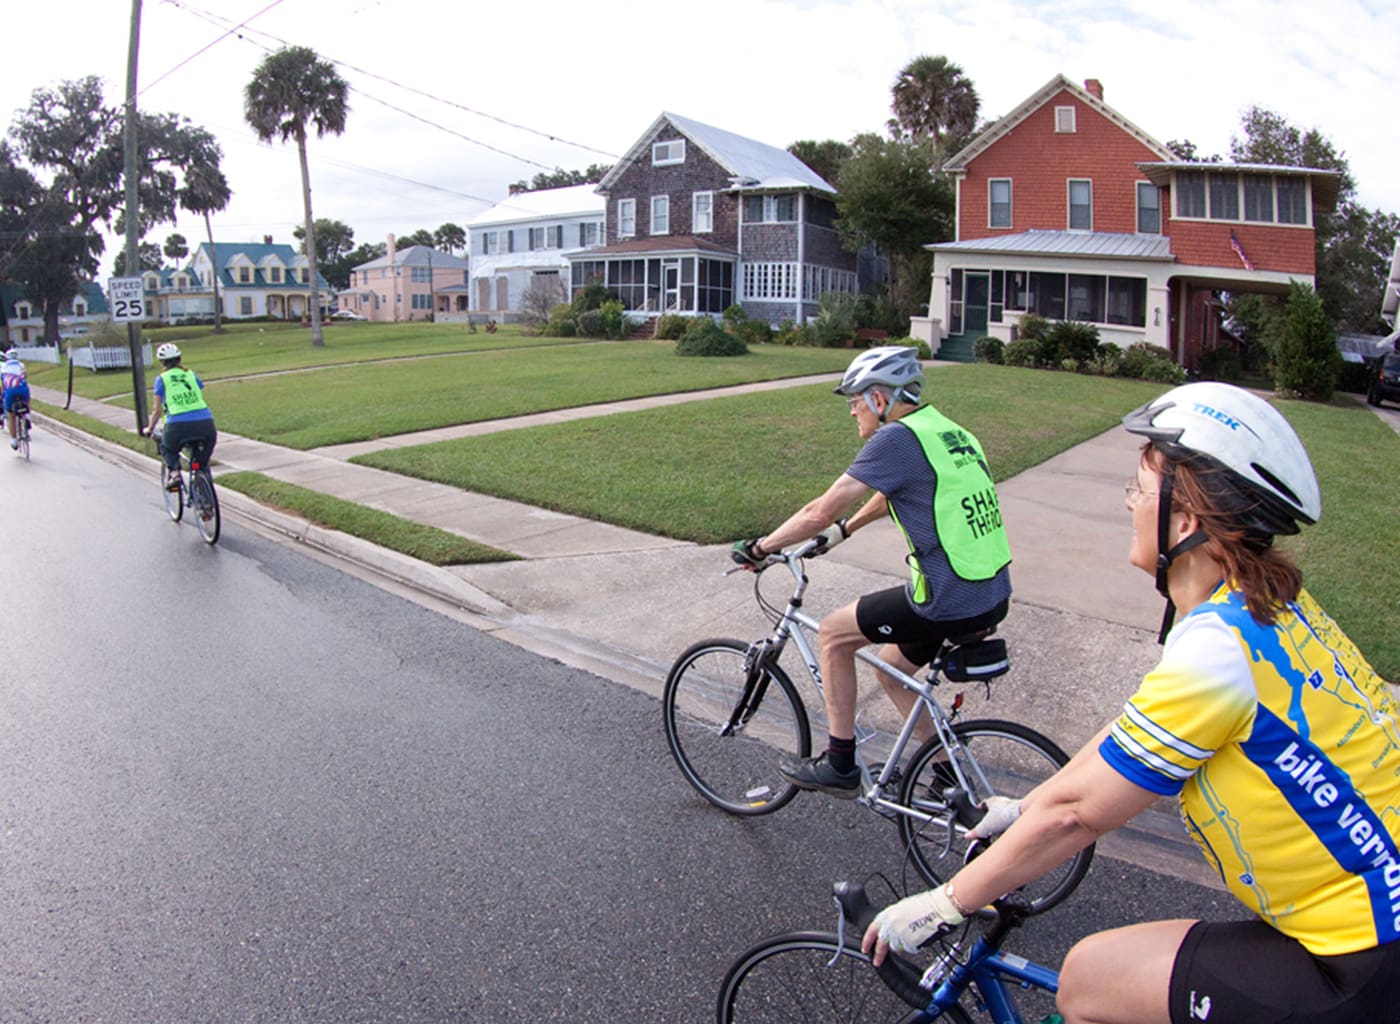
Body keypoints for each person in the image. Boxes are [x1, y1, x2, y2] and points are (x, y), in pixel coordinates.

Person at [865, 381, 1400, 1024]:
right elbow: (1127, 738)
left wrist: (946, 901)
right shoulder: (1268, 611)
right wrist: (1025, 804)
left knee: (1090, 982)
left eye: (1138, 490)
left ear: (1186, 518)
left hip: (1360, 962)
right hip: (1363, 928)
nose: (1127, 504)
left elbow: (1077, 817)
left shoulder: (1217, 654)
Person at [732, 346, 1011, 797]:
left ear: (880, 399)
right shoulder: (945, 430)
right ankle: (944, 773)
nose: (852, 411)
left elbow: (819, 510)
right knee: (891, 667)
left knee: (834, 634)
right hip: (990, 590)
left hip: (946, 597)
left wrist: (761, 547)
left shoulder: (896, 439)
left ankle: (839, 764)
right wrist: (846, 532)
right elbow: (889, 495)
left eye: (855, 400)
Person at [145, 342, 216, 490]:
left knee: (166, 447)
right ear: (179, 359)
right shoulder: (191, 374)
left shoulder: (162, 379)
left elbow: (157, 410)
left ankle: (175, 473)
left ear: (162, 362)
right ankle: (205, 497)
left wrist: (150, 428)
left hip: (177, 426)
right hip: (206, 423)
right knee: (201, 464)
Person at [2, 348, 30, 450]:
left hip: (10, 391)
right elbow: (25, 377)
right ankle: (27, 417)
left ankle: (14, 439)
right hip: (23, 390)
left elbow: (3, 384)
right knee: (27, 399)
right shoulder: (21, 365)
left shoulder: (3, 367)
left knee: (10, 415)